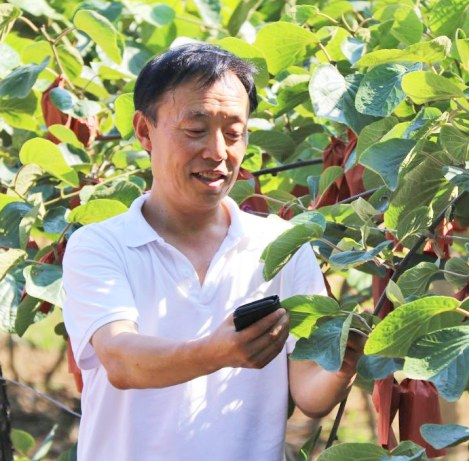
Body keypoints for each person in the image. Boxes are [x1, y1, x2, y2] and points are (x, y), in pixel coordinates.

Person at [62, 43, 362, 461]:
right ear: (145, 131)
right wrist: (218, 353)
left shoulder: (281, 246)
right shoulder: (100, 246)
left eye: (234, 133)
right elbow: (122, 360)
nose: (218, 152)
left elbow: (310, 393)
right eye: (195, 130)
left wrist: (344, 364)